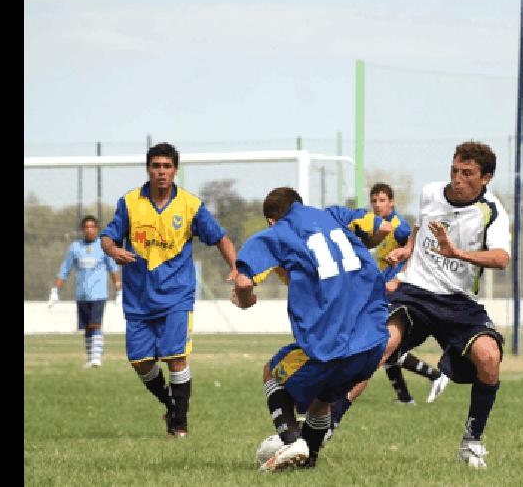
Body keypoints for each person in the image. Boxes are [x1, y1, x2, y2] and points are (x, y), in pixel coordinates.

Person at [231, 187, 393, 472]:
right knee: (323, 400)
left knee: (272, 371)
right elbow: (383, 228)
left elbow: (244, 282)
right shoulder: (334, 215)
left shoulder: (278, 232)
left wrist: (245, 301)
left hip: (332, 343)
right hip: (374, 339)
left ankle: (292, 440)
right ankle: (308, 464)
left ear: (272, 219)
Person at [379, 141, 511, 469]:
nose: (457, 178)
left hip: (460, 303)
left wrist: (457, 253)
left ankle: (471, 442)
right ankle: (319, 431)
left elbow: (501, 258)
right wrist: (408, 250)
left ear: (486, 178)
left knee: (489, 358)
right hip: (417, 292)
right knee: (379, 346)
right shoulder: (430, 193)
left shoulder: (492, 212)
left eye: (467, 173)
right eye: (454, 170)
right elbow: (423, 226)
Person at [99, 142, 238, 439]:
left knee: (176, 356)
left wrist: (236, 268)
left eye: (167, 166)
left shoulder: (191, 205)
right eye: (156, 166)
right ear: (148, 169)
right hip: (138, 297)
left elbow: (220, 238)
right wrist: (114, 251)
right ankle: (170, 405)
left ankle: (180, 425)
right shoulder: (130, 202)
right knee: (141, 362)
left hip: (177, 294)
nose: (161, 172)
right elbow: (108, 237)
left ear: (175, 170)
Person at [326, 183, 450, 438]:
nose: (378, 204)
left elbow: (418, 252)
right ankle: (407, 395)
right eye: (375, 200)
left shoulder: (401, 228)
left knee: (379, 346)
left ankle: (434, 376)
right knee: (385, 348)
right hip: (382, 293)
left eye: (382, 200)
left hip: (399, 295)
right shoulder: (375, 227)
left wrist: (402, 272)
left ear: (391, 203)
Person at [48, 215, 122, 369]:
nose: (89, 230)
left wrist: (118, 290)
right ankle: (90, 358)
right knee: (87, 327)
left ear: (97, 229)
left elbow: (113, 269)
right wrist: (55, 290)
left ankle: (97, 358)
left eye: (92, 227)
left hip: (98, 294)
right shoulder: (75, 247)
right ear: (82, 230)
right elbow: (65, 270)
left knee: (95, 324)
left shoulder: (103, 246)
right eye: (86, 227)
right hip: (82, 295)